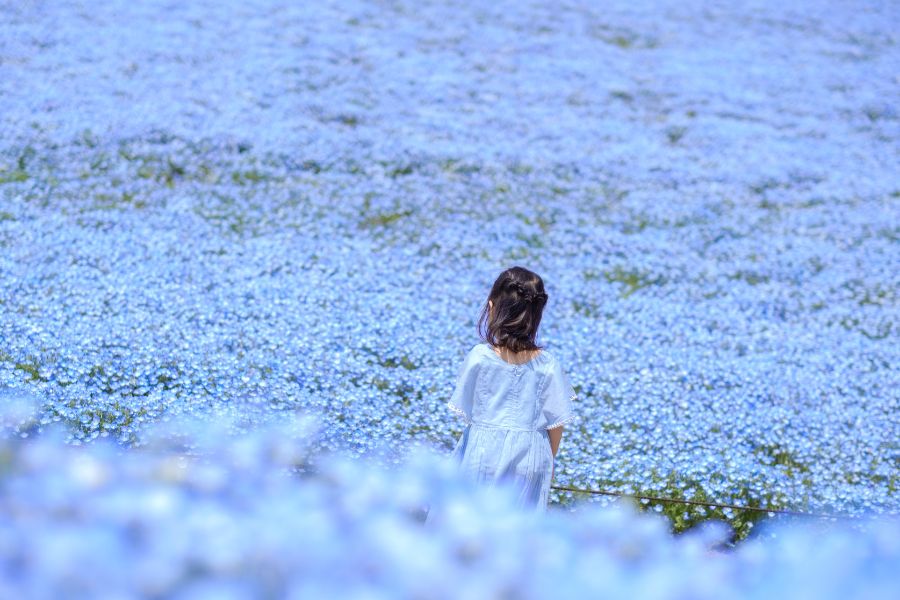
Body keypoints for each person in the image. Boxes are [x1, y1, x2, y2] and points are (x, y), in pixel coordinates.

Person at [425, 266, 577, 523]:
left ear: (492, 307)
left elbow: (469, 410)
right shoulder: (548, 364)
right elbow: (556, 423)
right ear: (536, 315)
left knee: (469, 529)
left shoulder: (480, 357)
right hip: (532, 458)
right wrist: (547, 462)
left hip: (483, 452)